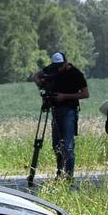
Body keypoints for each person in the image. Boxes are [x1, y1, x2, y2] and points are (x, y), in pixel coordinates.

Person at [31, 51, 89, 179]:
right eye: (56, 66)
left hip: (69, 110)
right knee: (56, 144)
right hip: (55, 110)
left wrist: (64, 96)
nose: (58, 69)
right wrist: (42, 85)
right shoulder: (52, 69)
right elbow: (35, 76)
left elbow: (85, 94)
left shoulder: (75, 74)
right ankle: (60, 172)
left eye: (60, 66)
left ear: (65, 63)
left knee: (67, 145)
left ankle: (68, 176)